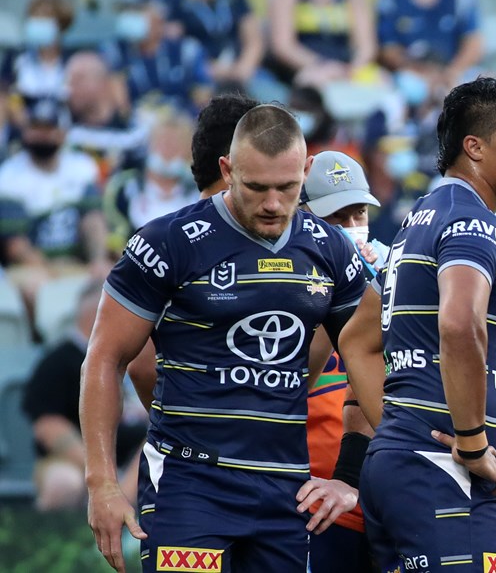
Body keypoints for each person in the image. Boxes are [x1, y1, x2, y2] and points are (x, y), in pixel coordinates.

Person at [80, 104, 368, 573]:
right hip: (191, 487)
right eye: (256, 187)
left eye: (287, 188)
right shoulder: (167, 242)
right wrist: (102, 484)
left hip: (286, 493)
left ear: (307, 170)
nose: (272, 203)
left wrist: (350, 476)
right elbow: (105, 358)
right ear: (227, 170)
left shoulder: (330, 249)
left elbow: (370, 359)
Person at [352, 78, 496, 573]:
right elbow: (460, 325)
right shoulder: (472, 221)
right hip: (442, 467)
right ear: (474, 148)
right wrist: (473, 443)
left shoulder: (420, 217)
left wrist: (396, 428)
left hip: (397, 461)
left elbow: (357, 340)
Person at [123, 94, 262, 413]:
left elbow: (137, 366)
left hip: (191, 425)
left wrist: (176, 423)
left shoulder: (163, 236)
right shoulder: (146, 213)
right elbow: (139, 366)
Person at [296, 150, 384, 572]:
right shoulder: (284, 283)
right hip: (315, 504)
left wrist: (372, 289)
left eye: (358, 214)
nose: (351, 228)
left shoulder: (388, 274)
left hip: (384, 498)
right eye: (336, 218)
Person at [24, 284, 145, 512]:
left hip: (135, 462)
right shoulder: (59, 360)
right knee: (63, 482)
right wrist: (103, 474)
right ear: (100, 315)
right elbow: (48, 427)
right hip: (76, 462)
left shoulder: (136, 356)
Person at [0, 97, 108, 299]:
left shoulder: (81, 166)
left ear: (62, 133)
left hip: (77, 261)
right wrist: (53, 270)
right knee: (34, 286)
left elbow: (93, 220)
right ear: (25, 131)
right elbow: (15, 246)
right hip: (31, 266)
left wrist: (97, 260)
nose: (42, 135)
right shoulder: (9, 176)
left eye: (48, 128)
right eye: (36, 127)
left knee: (111, 277)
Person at [375, 0, 484, 97]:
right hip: (410, 74)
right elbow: (388, 49)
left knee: (488, 86)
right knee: (407, 89)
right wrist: (418, 71)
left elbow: (474, 42)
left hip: (452, 70)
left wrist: (452, 72)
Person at [156, 0, 266, 93]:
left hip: (241, 71)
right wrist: (207, 69)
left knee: (274, 97)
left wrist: (243, 68)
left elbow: (254, 40)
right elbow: (172, 47)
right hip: (197, 76)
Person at [267, 0, 376, 86]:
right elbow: (284, 47)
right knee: (314, 81)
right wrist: (322, 65)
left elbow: (366, 46)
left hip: (345, 66)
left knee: (382, 82)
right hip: (303, 68)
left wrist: (354, 68)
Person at [103, 0, 215, 113]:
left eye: (138, 10)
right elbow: (116, 107)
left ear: (159, 16)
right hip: (136, 121)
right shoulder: (114, 53)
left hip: (184, 120)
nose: (130, 16)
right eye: (126, 10)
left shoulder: (187, 51)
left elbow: (204, 94)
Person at [102, 108, 201, 251]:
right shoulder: (124, 188)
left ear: (189, 152)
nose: (168, 151)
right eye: (163, 142)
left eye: (176, 144)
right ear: (150, 145)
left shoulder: (199, 194)